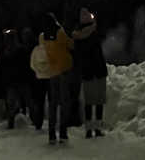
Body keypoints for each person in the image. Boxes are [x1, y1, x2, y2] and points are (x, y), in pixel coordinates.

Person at [72, 8, 108, 138]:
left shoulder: (77, 35)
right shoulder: (94, 32)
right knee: (99, 101)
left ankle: (88, 130)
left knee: (89, 101)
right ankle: (97, 129)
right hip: (98, 70)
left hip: (87, 71)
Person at [40, 13, 74, 144]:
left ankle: (51, 134)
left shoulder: (43, 37)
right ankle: (63, 132)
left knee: (52, 104)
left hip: (52, 72)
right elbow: (71, 45)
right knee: (64, 103)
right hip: (63, 71)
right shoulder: (60, 33)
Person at [0, 30, 31, 129]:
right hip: (17, 80)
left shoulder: (5, 51)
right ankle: (34, 121)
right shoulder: (16, 50)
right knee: (22, 101)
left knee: (13, 102)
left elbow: (0, 66)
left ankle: (12, 123)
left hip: (15, 81)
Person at [29, 30, 52, 131]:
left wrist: (38, 71)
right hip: (48, 78)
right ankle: (50, 121)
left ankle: (39, 122)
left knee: (40, 101)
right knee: (49, 101)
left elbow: (32, 64)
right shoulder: (50, 49)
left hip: (40, 79)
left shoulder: (36, 50)